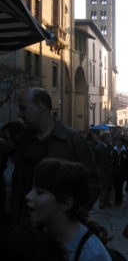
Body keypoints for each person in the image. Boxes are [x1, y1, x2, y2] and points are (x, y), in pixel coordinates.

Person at [10, 87, 99, 229]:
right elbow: (18, 186)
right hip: (25, 230)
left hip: (59, 231)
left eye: (23, 108)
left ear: (40, 107)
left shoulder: (73, 141)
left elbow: (91, 183)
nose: (20, 114)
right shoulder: (21, 141)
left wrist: (74, 216)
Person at [2, 158, 112, 261]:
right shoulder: (34, 234)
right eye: (32, 189)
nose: (29, 196)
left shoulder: (91, 254)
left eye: (40, 192)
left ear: (66, 204)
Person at [0, 121, 25, 236]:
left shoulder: (25, 163)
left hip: (20, 218)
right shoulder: (4, 158)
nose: (3, 141)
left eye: (6, 138)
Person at [95, 132, 114, 209]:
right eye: (109, 136)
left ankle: (106, 201)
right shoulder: (99, 147)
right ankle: (101, 202)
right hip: (102, 170)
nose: (110, 138)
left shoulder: (110, 146)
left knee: (109, 186)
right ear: (104, 138)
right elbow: (96, 159)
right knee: (103, 187)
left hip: (109, 169)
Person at [112, 136, 128, 205]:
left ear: (121, 142)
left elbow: (127, 162)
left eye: (118, 141)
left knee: (121, 185)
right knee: (116, 186)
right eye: (115, 141)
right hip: (115, 171)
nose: (116, 142)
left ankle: (120, 199)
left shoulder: (125, 150)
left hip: (122, 171)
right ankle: (117, 200)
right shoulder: (114, 149)